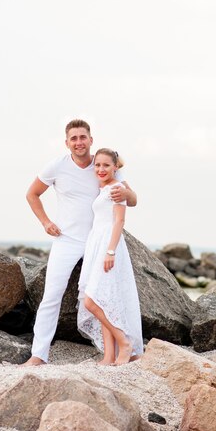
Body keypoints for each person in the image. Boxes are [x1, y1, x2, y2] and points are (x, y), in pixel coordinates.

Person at [23, 119, 137, 366]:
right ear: (67, 143)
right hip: (67, 240)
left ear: (91, 139)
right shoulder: (56, 166)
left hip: (98, 240)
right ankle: (38, 355)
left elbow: (132, 198)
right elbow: (32, 194)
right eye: (73, 138)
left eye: (82, 137)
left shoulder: (103, 164)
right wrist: (45, 222)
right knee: (51, 295)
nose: (78, 142)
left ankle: (117, 351)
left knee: (104, 295)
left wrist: (126, 194)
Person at [77, 148, 143, 365]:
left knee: (91, 300)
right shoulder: (103, 187)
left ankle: (124, 342)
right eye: (97, 165)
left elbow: (119, 221)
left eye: (106, 165)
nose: (101, 169)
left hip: (108, 244)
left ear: (115, 167)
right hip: (96, 243)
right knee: (103, 299)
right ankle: (108, 355)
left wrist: (111, 251)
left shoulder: (117, 188)